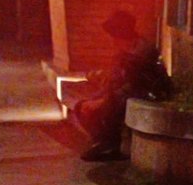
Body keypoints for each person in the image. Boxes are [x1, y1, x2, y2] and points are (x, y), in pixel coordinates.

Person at [73, 10, 172, 160]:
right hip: (126, 91)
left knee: (110, 106)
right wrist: (102, 82)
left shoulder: (142, 52)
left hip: (147, 92)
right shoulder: (123, 50)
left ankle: (110, 145)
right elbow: (116, 76)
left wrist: (104, 100)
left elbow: (135, 84)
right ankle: (101, 141)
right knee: (82, 106)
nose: (112, 41)